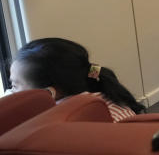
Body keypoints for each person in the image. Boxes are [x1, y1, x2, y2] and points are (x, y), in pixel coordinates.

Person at [10, 37, 143, 122]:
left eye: (15, 86)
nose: (11, 92)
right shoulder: (97, 90)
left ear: (49, 93)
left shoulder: (70, 120)